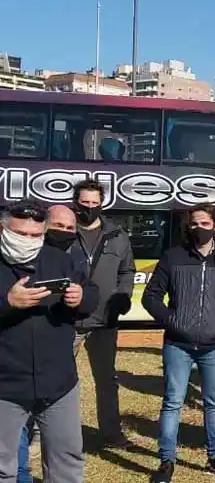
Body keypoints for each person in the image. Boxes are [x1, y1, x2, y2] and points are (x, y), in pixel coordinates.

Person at [142, 204, 215, 482]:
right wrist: (172, 321)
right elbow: (151, 297)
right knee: (173, 401)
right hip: (178, 344)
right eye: (193, 224)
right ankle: (166, 462)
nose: (198, 228)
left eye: (204, 223)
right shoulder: (173, 257)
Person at [0, 199, 98, 483]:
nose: (28, 241)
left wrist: (82, 298)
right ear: (3, 229)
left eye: (35, 236)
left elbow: (91, 293)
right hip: (5, 385)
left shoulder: (58, 260)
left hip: (58, 384)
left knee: (66, 462)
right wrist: (7, 303)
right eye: (20, 234)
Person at [68, 179, 136, 448]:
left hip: (104, 320)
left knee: (106, 380)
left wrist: (124, 295)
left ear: (102, 203)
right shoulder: (63, 232)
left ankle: (111, 433)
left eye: (95, 204)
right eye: (84, 203)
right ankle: (50, 434)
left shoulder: (117, 235)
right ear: (76, 202)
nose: (89, 208)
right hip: (68, 319)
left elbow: (127, 271)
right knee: (58, 379)